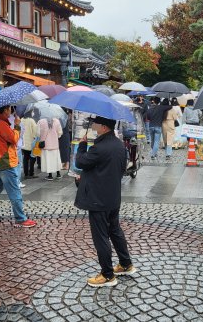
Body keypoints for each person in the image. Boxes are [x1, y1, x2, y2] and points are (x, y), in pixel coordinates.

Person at [75, 116, 135, 287]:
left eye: (95, 123)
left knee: (101, 236)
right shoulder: (119, 145)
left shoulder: (99, 147)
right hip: (113, 197)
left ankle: (107, 274)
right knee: (115, 231)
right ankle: (125, 264)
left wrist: (81, 145)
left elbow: (80, 162)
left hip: (98, 199)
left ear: (103, 127)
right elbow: (117, 169)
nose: (92, 125)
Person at [20, 112, 39, 179]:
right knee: (32, 158)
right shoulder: (31, 120)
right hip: (31, 143)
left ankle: (26, 173)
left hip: (23, 143)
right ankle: (31, 172)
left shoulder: (21, 120)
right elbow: (35, 132)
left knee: (25, 158)